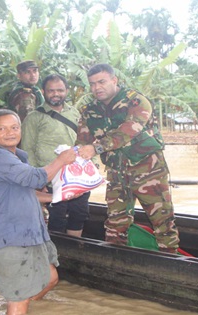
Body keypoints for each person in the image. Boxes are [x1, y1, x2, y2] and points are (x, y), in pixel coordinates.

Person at [75, 63, 179, 253]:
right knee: (114, 225)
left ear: (114, 80)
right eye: (92, 84)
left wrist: (96, 148)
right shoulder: (89, 111)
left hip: (149, 170)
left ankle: (171, 264)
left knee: (163, 222)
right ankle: (116, 264)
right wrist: (71, 165)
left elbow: (127, 132)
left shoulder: (136, 102)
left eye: (102, 82)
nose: (97, 87)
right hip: (116, 174)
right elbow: (82, 142)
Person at [0, 109, 76, 315]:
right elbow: (35, 178)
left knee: (51, 279)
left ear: (21, 130)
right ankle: (17, 307)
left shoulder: (17, 157)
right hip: (11, 238)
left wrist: (56, 197)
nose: (10, 132)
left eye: (14, 127)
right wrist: (61, 160)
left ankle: (19, 308)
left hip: (34, 233)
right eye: (2, 128)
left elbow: (28, 191)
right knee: (19, 299)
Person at [21, 73, 91, 237]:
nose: (56, 94)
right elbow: (27, 150)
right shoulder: (34, 117)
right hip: (51, 178)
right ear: (43, 92)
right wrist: (37, 181)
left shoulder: (75, 113)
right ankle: (56, 254)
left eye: (60, 90)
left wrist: (91, 164)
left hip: (77, 179)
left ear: (66, 90)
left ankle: (73, 250)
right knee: (56, 217)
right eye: (51, 91)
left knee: (79, 214)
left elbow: (85, 141)